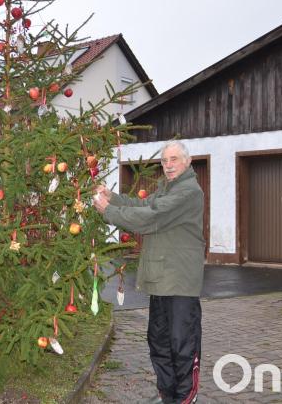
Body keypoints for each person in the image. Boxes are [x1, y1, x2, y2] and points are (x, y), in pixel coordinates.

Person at [94, 140, 204, 404]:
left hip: (180, 281)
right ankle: (167, 395)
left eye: (174, 159)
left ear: (187, 162)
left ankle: (185, 397)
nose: (168, 165)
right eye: (165, 160)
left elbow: (152, 217)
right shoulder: (168, 188)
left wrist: (109, 212)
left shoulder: (188, 191)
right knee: (159, 342)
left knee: (182, 344)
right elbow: (142, 206)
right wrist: (114, 198)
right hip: (161, 279)